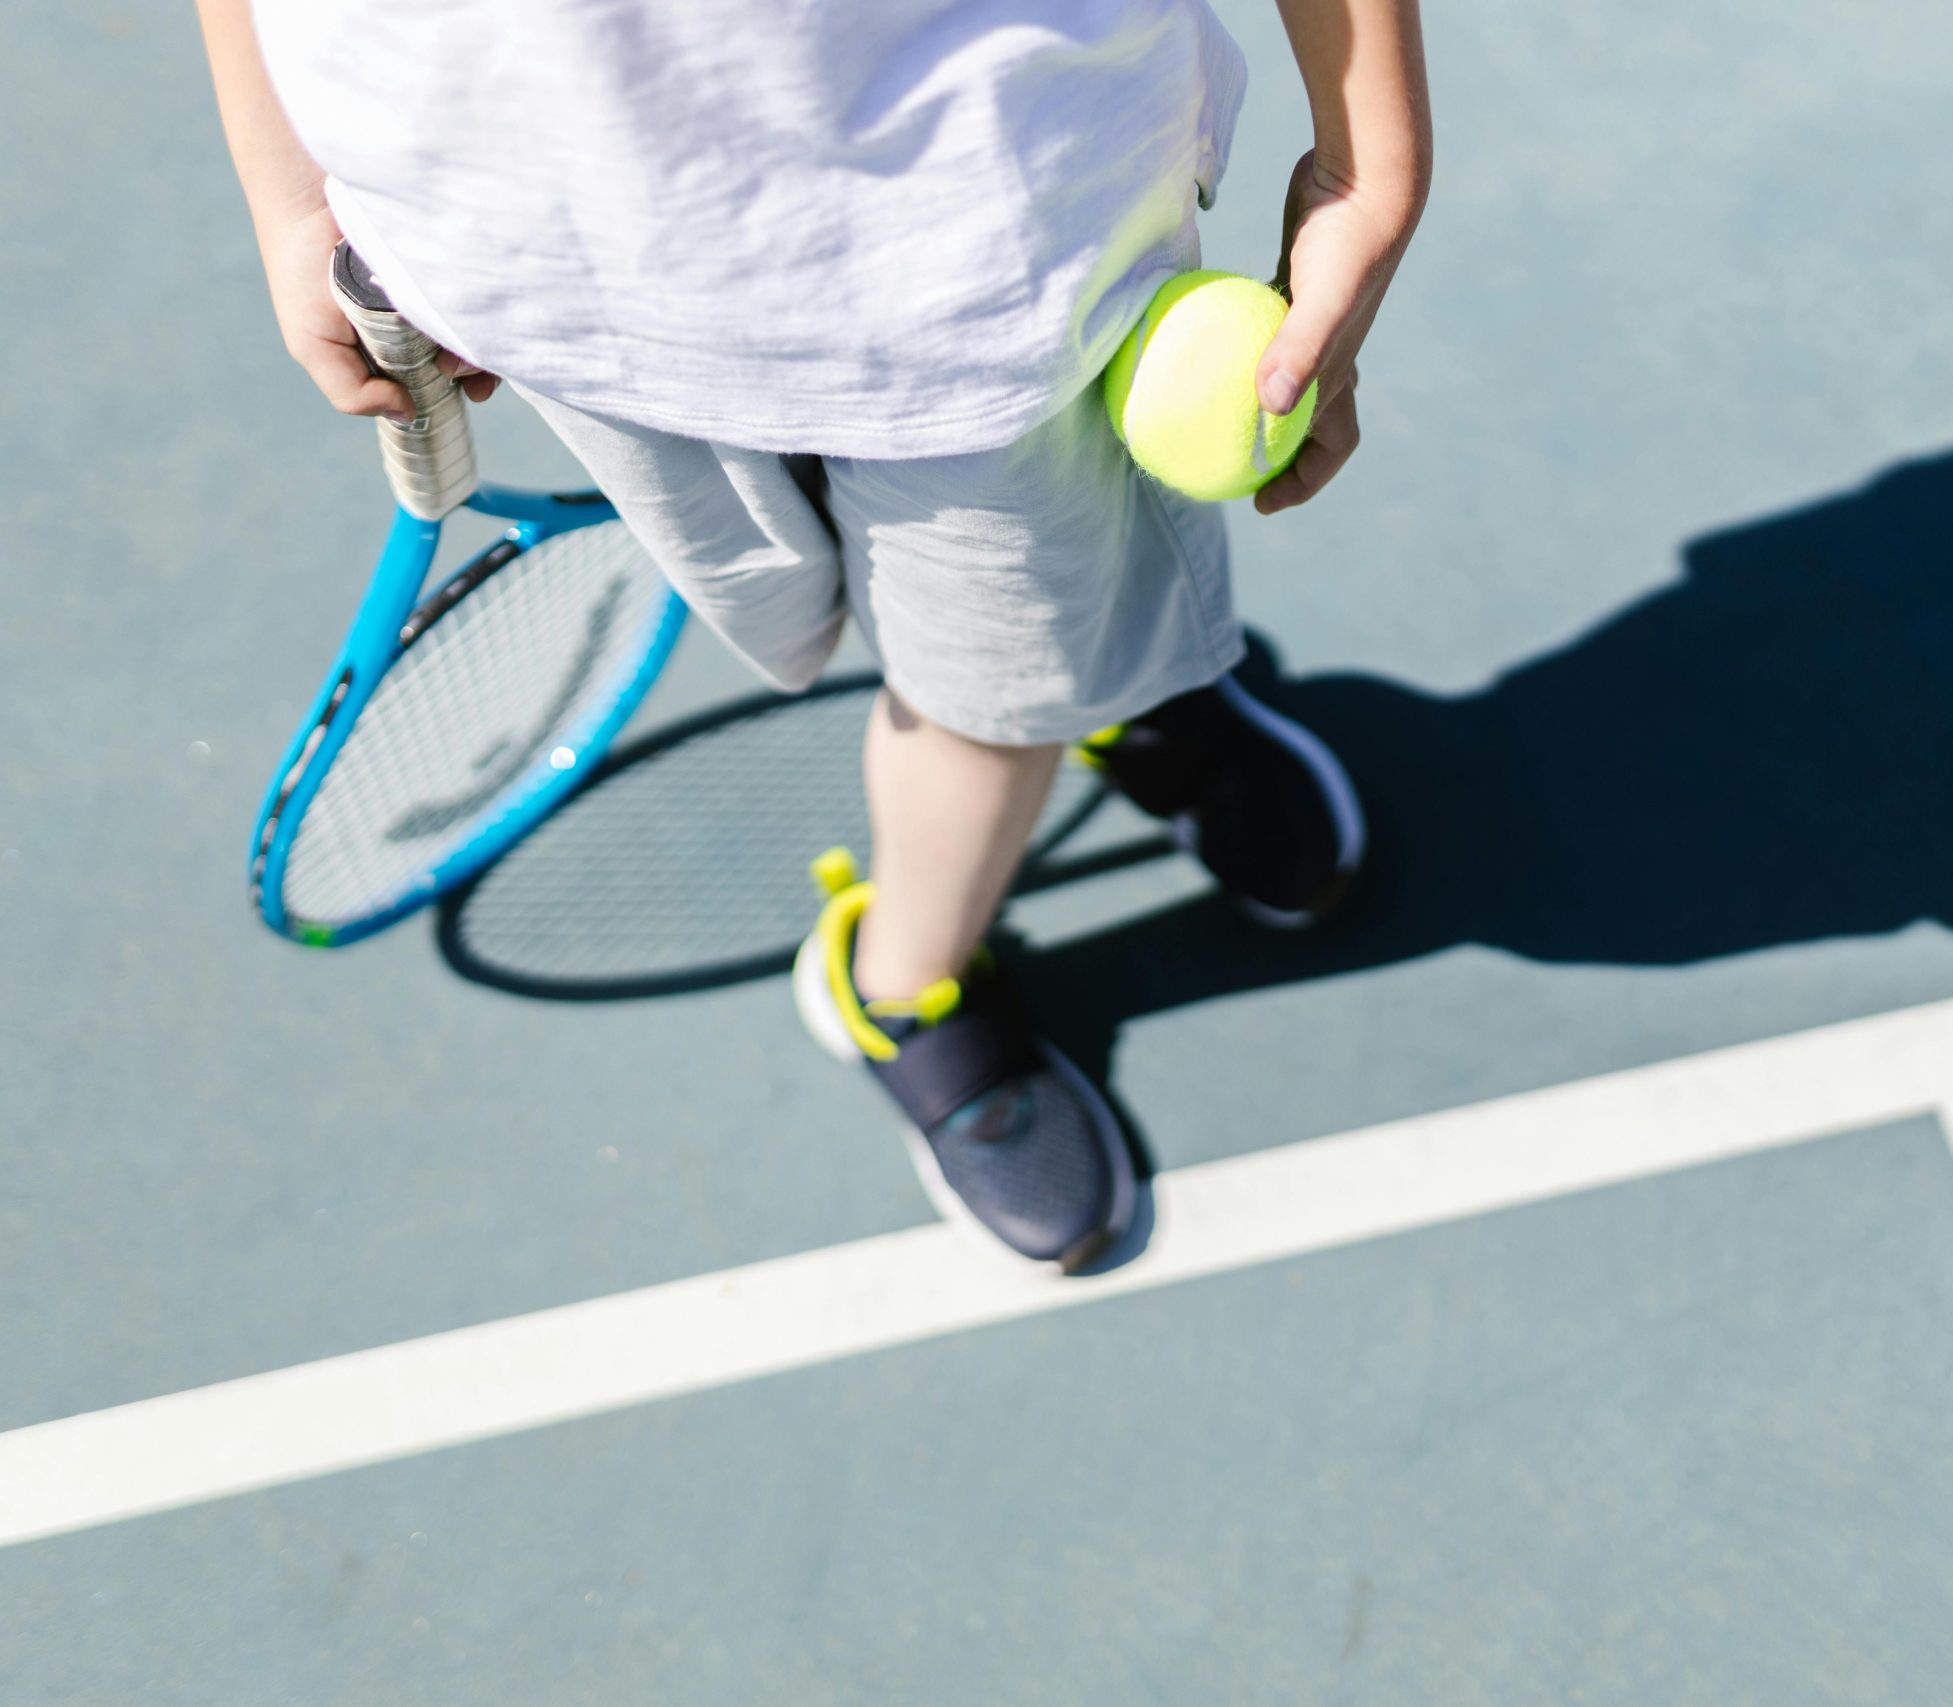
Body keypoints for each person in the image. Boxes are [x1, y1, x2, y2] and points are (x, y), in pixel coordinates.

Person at [196, 0, 1432, 1272]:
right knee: (941, 634)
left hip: (997, 246)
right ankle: (1096, 686)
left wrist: (1363, 159)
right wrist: (292, 196)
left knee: (993, 700)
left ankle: (899, 979)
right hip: (551, 272)